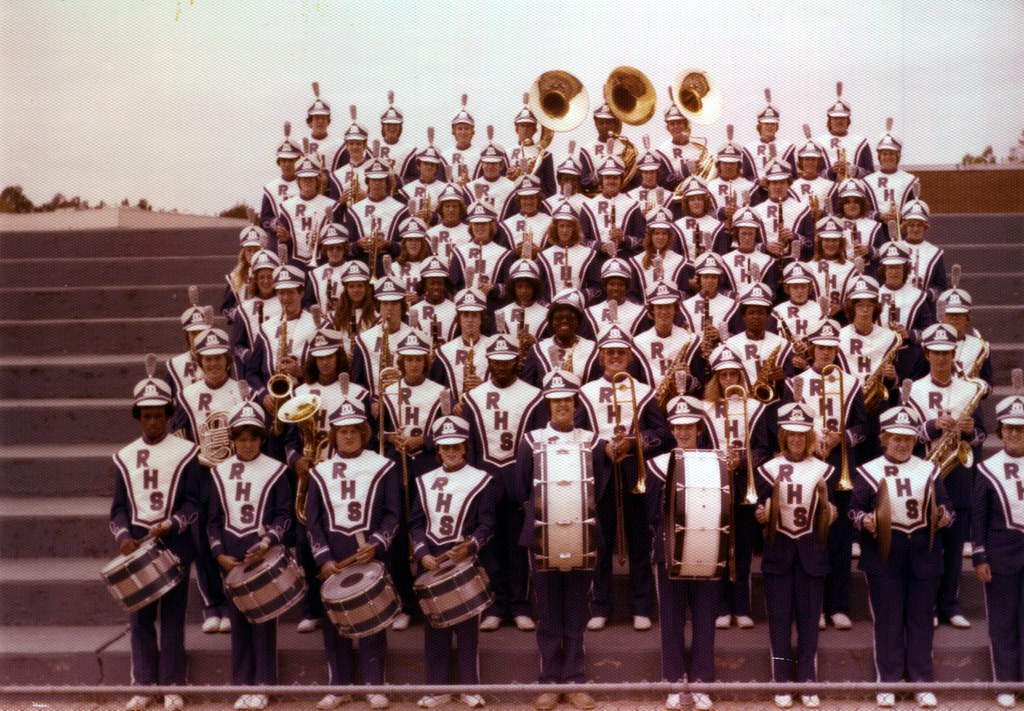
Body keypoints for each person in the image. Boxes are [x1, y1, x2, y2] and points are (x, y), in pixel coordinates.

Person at [850, 402, 952, 709]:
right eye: (896, 438)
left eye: (908, 438)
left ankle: (922, 683)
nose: (903, 444)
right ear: (884, 439)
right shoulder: (868, 471)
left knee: (921, 621)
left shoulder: (928, 468)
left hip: (923, 553)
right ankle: (888, 682)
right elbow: (854, 510)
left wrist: (945, 516)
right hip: (884, 554)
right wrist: (865, 520)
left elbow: (947, 507)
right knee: (888, 621)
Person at [111, 364, 201, 711]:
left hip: (174, 544)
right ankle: (144, 683)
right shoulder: (124, 457)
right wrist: (123, 537)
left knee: (173, 617)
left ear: (169, 414)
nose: (152, 422)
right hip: (137, 546)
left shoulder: (186, 452)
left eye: (158, 415)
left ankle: (174, 684)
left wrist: (173, 523)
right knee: (140, 618)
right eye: (146, 416)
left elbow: (193, 503)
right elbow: (118, 509)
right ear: (138, 417)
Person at [515, 370, 602, 711]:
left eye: (567, 400)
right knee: (549, 610)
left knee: (578, 608)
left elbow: (599, 486)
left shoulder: (591, 440)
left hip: (582, 533)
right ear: (547, 405)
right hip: (542, 534)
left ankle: (575, 679)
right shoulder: (532, 440)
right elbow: (522, 487)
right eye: (556, 401)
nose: (562, 406)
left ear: (576, 404)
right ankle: (550, 681)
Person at [305, 398, 399, 711]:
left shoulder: (382, 465)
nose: (348, 436)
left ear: (364, 433)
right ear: (334, 435)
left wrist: (377, 543)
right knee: (334, 623)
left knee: (372, 618)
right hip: (334, 553)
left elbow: (392, 514)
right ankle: (339, 687)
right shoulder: (320, 472)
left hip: (367, 552)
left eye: (354, 430)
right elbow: (312, 521)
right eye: (342, 431)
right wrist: (323, 558)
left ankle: (375, 684)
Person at [579, 325, 672, 631]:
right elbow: (578, 434)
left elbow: (663, 434)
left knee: (639, 541)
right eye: (610, 353)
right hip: (601, 473)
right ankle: (599, 606)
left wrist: (634, 442)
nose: (615, 357)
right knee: (601, 542)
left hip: (635, 473)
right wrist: (602, 447)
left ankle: (641, 607)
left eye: (620, 352)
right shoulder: (586, 391)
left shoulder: (644, 391)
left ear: (630, 357)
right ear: (601, 357)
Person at [783, 319, 871, 631]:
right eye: (820, 348)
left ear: (837, 350)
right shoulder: (796, 382)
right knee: (811, 538)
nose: (825, 353)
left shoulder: (852, 383)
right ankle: (814, 607)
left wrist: (842, 438)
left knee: (840, 538)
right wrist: (809, 441)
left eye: (831, 349)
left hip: (839, 464)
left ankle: (839, 606)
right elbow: (785, 428)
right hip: (807, 464)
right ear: (811, 349)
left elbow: (864, 427)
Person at [207, 401, 292, 711]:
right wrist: (219, 553)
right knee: (239, 621)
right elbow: (213, 521)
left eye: (253, 438)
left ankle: (264, 683)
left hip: (261, 556)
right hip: (230, 557)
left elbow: (284, 515)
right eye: (241, 438)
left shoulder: (276, 470)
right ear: (233, 439)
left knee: (264, 621)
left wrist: (269, 541)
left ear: (261, 439)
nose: (247, 444)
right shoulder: (219, 472)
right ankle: (242, 684)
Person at [409, 414, 498, 708]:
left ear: (465, 448)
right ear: (438, 450)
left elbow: (487, 525)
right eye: (445, 447)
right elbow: (416, 523)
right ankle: (438, 689)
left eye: (455, 447)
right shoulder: (424, 481)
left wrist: (471, 545)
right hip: (432, 561)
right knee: (435, 628)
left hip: (463, 562)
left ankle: (469, 687)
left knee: (468, 628)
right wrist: (422, 553)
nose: (450, 452)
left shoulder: (481, 480)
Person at [754, 402, 834, 709]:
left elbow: (830, 511)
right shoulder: (768, 469)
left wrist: (831, 512)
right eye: (791, 434)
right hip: (779, 553)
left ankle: (807, 681)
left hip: (812, 554)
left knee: (809, 623)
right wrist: (761, 515)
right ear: (783, 436)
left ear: (809, 437)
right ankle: (782, 682)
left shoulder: (823, 469)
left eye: (802, 434)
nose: (796, 439)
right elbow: (758, 507)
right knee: (779, 623)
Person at [462, 335, 545, 631]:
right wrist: (473, 483)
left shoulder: (534, 396)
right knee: (490, 547)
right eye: (496, 362)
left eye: (506, 361)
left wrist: (532, 484)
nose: (500, 367)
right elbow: (470, 444)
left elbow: (538, 442)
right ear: (488, 362)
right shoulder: (473, 397)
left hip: (518, 480)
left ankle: (520, 605)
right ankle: (495, 605)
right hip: (486, 480)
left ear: (516, 362)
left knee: (519, 546)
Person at [907, 323, 987, 629]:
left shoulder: (969, 388)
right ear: (927, 354)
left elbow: (982, 434)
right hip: (924, 471)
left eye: (946, 353)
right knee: (928, 545)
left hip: (958, 475)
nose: (941, 359)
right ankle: (927, 605)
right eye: (936, 353)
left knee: (954, 546)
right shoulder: (913, 389)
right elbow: (900, 436)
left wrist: (970, 431)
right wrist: (931, 427)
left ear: (954, 354)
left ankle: (951, 604)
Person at [646, 395, 721, 711]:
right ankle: (675, 682)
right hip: (669, 552)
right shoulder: (657, 465)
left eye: (689, 426)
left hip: (707, 548)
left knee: (705, 618)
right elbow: (651, 513)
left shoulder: (715, 461)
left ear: (699, 429)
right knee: (672, 620)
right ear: (672, 430)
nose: (683, 432)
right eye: (678, 427)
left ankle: (702, 682)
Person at [173, 327, 247, 633]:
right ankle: (212, 606)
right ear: (199, 362)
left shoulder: (241, 390)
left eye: (218, 358)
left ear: (228, 360)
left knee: (232, 538)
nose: (214, 364)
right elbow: (180, 434)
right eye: (208, 359)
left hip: (235, 473)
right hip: (202, 475)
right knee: (203, 543)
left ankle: (234, 603)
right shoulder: (187, 395)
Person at [700, 345, 772, 629]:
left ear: (741, 377)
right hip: (715, 482)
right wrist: (720, 461)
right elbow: (701, 448)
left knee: (742, 547)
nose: (729, 379)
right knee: (719, 546)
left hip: (744, 483)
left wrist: (742, 460)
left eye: (734, 374)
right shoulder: (706, 409)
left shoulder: (755, 408)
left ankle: (742, 606)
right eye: (723, 375)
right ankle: (721, 607)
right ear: (716, 379)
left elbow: (763, 449)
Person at [972, 384, 1024, 710]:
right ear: (1000, 430)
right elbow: (978, 517)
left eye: (1021, 429)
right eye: (1010, 428)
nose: (1015, 434)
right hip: (1001, 554)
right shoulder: (987, 468)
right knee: (1003, 622)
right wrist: (979, 555)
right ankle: (1005, 684)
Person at [276, 155, 344, 269]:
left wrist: (323, 239)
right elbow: (284, 242)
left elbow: (339, 238)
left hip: (322, 262)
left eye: (311, 178)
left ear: (317, 181)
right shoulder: (287, 206)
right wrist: (286, 238)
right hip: (295, 262)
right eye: (304, 178)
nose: (307, 182)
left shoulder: (331, 205)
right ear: (298, 181)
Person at [537, 201, 600, 302]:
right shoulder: (544, 256)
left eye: (569, 226)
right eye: (561, 226)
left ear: (575, 229)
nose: (565, 230)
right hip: (551, 308)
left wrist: (579, 295)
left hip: (578, 307)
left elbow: (597, 287)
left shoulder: (589, 254)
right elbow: (537, 288)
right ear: (555, 229)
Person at [863, 124, 920, 231]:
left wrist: (901, 215)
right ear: (879, 157)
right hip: (875, 231)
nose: (888, 157)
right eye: (884, 154)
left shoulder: (910, 180)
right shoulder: (867, 181)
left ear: (898, 156)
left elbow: (915, 208)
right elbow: (864, 211)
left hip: (902, 230)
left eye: (891, 154)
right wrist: (879, 216)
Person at [815, 82, 874, 180]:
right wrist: (830, 172)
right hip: (828, 189)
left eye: (842, 118)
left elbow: (871, 174)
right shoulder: (818, 143)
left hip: (854, 189)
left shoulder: (861, 142)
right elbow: (813, 176)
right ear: (829, 120)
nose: (839, 121)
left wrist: (855, 171)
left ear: (848, 120)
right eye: (835, 118)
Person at [259, 125, 301, 247]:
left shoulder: (306, 183)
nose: (287, 164)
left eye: (291, 161)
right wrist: (275, 224)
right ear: (279, 162)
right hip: (279, 240)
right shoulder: (271, 187)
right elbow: (264, 219)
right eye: (283, 160)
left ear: (298, 161)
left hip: (301, 236)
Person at [741, 90, 794, 184]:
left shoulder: (787, 146)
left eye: (772, 124)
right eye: (766, 123)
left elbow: (793, 175)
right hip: (758, 189)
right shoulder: (749, 148)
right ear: (760, 125)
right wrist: (758, 181)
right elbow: (747, 175)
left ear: (777, 126)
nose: (769, 126)